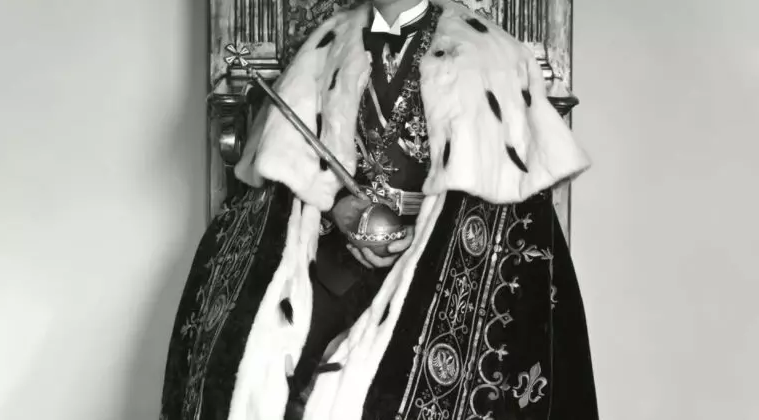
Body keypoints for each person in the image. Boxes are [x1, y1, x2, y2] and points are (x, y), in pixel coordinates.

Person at [158, 0, 599, 419]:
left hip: (438, 259)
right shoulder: (327, 47)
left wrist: (423, 235)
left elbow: (495, 194)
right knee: (251, 365)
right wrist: (337, 208)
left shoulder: (486, 55)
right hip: (337, 255)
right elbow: (293, 173)